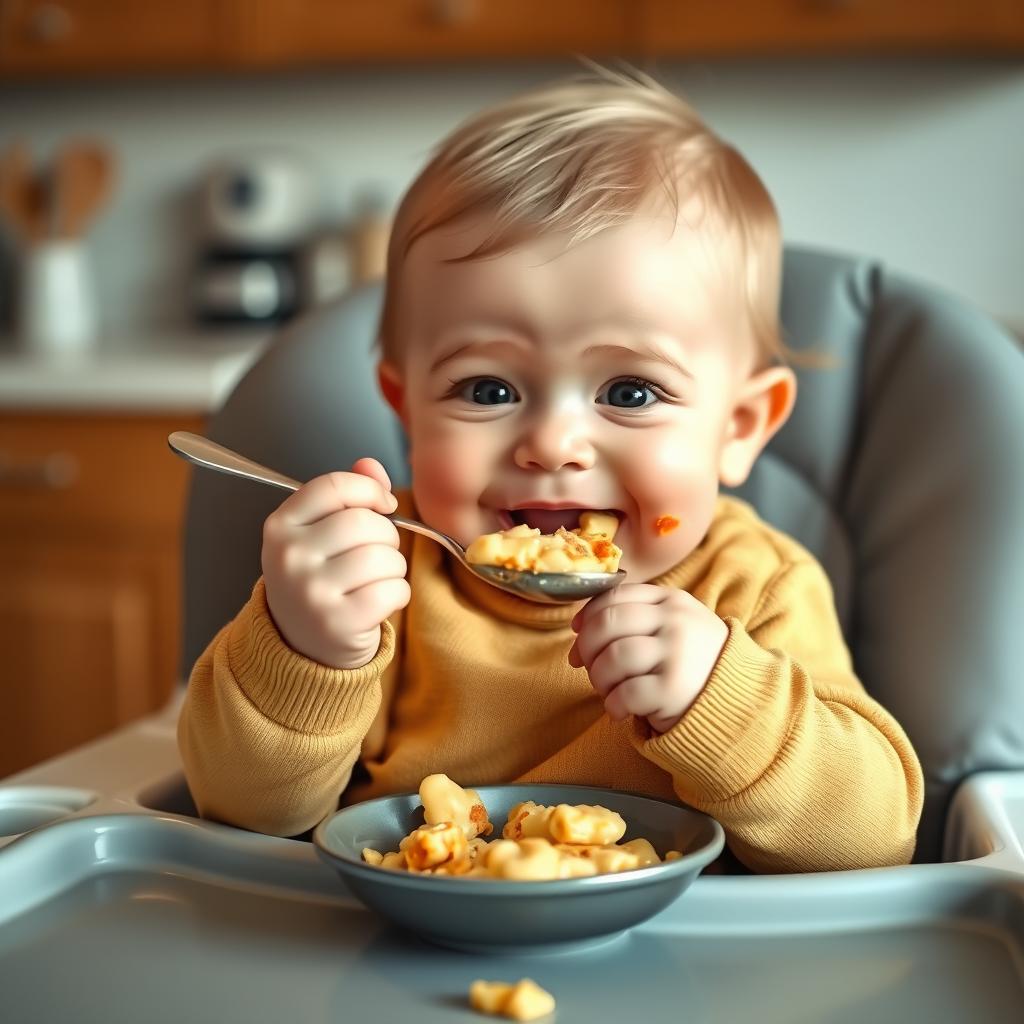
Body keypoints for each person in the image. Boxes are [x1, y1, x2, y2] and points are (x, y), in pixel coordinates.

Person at [178, 68, 923, 873]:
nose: (554, 444)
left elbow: (873, 843)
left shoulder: (754, 586)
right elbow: (239, 815)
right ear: (408, 412)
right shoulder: (381, 575)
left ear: (738, 429)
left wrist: (725, 704)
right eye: (488, 389)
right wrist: (304, 648)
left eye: (630, 391)